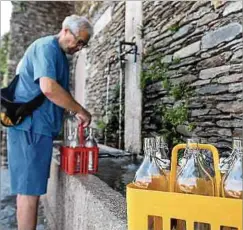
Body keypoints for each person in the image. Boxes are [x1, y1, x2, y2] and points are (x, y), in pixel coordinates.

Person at [7, 15, 93, 230]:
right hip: (30, 128)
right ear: (65, 31)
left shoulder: (59, 55)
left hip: (38, 129)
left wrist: (70, 111)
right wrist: (79, 110)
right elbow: (49, 88)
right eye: (79, 41)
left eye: (84, 44)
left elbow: (53, 95)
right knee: (29, 193)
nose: (80, 47)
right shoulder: (46, 47)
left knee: (30, 191)